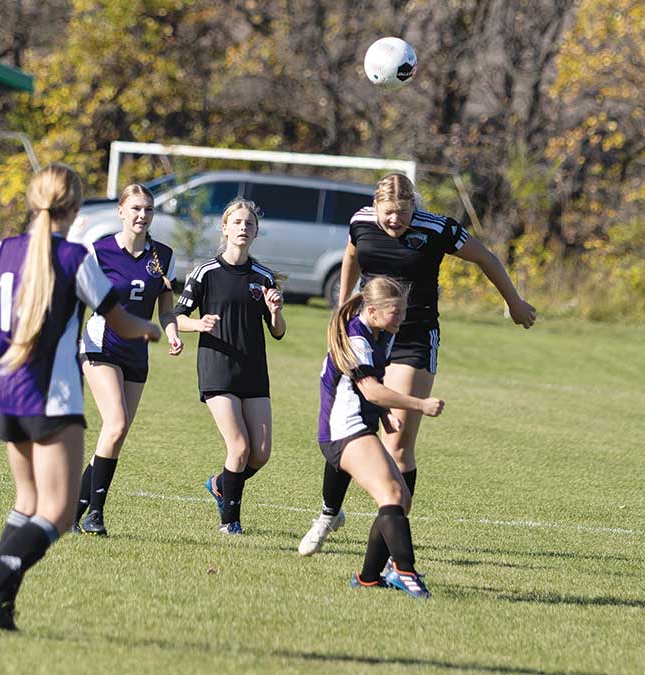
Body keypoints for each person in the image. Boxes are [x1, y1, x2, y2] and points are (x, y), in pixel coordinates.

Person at [0, 164, 161, 634]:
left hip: (10, 390)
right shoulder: (75, 258)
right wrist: (149, 328)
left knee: (27, 502)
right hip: (54, 396)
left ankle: (0, 607)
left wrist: (2, 348)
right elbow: (120, 321)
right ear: (76, 208)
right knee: (59, 514)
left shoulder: (4, 250)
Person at [298, 172, 536, 556]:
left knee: (397, 444)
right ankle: (329, 514)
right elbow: (351, 256)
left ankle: (393, 537)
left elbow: (486, 258)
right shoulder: (360, 221)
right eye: (389, 213)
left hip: (414, 339)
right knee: (348, 424)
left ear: (415, 207)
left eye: (403, 213)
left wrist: (514, 302)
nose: (395, 221)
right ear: (376, 207)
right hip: (369, 335)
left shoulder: (438, 229)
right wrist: (341, 310)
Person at [319, 276, 442, 598]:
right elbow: (370, 390)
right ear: (372, 311)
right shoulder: (358, 338)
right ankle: (405, 570)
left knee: (400, 499)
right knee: (390, 493)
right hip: (342, 431)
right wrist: (419, 405)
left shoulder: (377, 333)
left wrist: (386, 414)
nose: (402, 317)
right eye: (396, 312)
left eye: (403, 310)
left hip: (356, 426)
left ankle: (369, 577)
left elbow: (364, 389)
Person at [74, 184, 184, 535]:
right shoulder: (100, 250)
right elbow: (76, 297)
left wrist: (172, 332)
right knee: (116, 424)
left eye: (148, 210)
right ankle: (96, 515)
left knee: (115, 434)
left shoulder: (163, 256)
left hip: (137, 351)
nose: (142, 215)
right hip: (100, 345)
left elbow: (167, 309)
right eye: (135, 208)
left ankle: (71, 511)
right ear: (121, 211)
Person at [175, 199, 286, 535]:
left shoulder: (264, 276)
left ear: (255, 232)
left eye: (248, 224)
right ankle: (230, 524)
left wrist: (276, 310)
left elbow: (278, 332)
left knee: (260, 453)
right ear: (224, 228)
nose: (242, 228)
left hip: (253, 370)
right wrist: (198, 325)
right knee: (238, 447)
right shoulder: (205, 272)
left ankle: (221, 484)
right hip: (217, 367)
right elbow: (176, 317)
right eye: (236, 222)